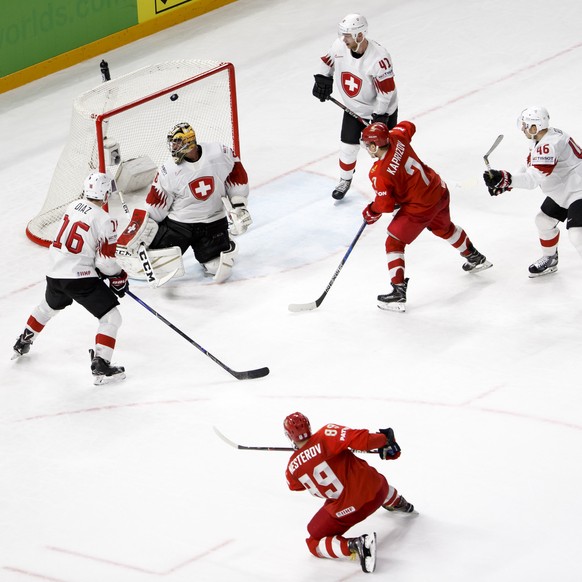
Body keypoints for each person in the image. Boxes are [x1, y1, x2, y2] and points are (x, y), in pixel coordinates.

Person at [360, 121, 492, 312]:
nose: (366, 149)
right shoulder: (398, 137)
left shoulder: (379, 173)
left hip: (420, 207)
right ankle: (474, 257)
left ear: (374, 146)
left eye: (367, 145)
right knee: (444, 229)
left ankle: (397, 293)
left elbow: (386, 205)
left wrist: (371, 211)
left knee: (394, 243)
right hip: (438, 191)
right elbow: (408, 125)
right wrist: (388, 131)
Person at [12, 172, 128, 385]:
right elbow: (104, 262)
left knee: (46, 308)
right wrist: (118, 276)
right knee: (111, 318)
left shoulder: (74, 206)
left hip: (55, 273)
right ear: (103, 193)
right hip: (79, 278)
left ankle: (23, 340)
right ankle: (101, 365)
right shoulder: (106, 220)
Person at [117, 122, 252, 284]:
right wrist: (146, 227)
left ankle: (223, 241)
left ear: (189, 142)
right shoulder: (169, 170)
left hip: (213, 222)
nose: (173, 146)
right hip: (180, 225)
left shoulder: (218, 153)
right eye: (172, 142)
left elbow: (235, 172)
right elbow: (157, 202)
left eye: (177, 142)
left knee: (215, 267)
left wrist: (238, 204)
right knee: (158, 266)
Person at [284, 412, 415, 574]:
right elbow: (363, 440)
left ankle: (355, 545)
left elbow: (294, 486)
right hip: (379, 490)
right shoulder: (326, 434)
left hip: (349, 510)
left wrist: (303, 458)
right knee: (368, 478)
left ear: (289, 435)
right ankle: (399, 503)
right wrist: (384, 439)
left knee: (313, 540)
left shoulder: (292, 468)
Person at [483, 105, 582, 277]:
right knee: (543, 221)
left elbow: (532, 180)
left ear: (535, 127)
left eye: (525, 125)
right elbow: (529, 165)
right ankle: (550, 259)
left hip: (578, 189)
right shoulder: (542, 138)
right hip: (566, 187)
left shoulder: (549, 145)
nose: (522, 128)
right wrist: (505, 183)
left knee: (577, 234)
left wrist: (506, 179)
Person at [312, 13, 399, 200]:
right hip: (354, 109)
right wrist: (322, 79)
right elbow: (326, 61)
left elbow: (386, 92)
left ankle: (395, 189)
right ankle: (345, 180)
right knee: (347, 147)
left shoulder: (379, 59)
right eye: (343, 34)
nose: (344, 39)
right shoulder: (339, 46)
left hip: (382, 112)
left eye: (348, 35)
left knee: (386, 155)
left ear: (360, 35)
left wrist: (379, 118)